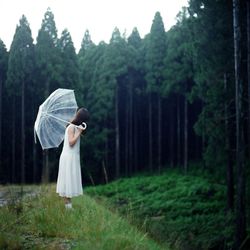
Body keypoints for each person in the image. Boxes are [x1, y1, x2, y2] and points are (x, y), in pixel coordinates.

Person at [56, 107, 89, 209]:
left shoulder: (75, 127)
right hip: (68, 157)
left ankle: (69, 207)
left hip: (73, 156)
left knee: (69, 181)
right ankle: (68, 208)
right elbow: (71, 143)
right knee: (67, 182)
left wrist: (81, 130)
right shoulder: (71, 127)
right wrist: (79, 132)